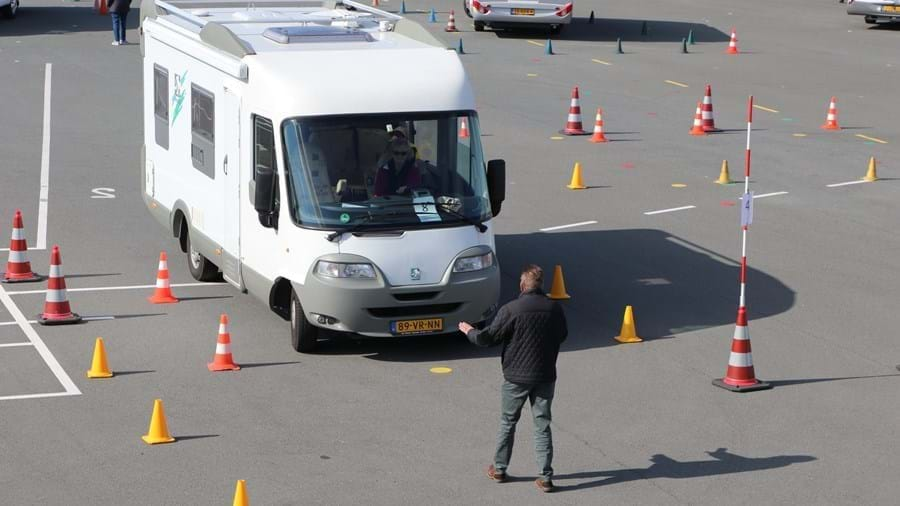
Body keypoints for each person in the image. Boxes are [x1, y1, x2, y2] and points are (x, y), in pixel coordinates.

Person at [458, 264, 568, 493]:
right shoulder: (554, 308)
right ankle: (545, 477)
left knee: (508, 422)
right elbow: (563, 335)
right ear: (540, 285)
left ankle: (499, 469)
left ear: (522, 285)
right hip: (545, 375)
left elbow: (487, 338)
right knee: (542, 425)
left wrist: (469, 331)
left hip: (515, 377)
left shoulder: (512, 309)